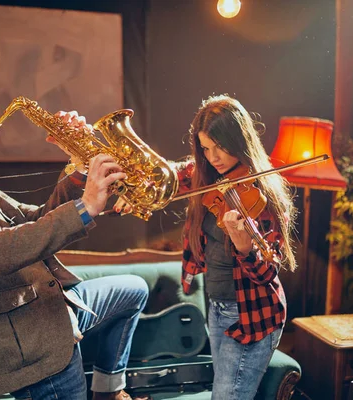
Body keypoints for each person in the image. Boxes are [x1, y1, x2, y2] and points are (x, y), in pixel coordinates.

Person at [0, 99, 150, 400]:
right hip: (30, 340)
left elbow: (38, 218)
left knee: (133, 289)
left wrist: (80, 167)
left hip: (51, 310)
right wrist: (87, 206)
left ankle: (109, 392)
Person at [116, 94, 298, 399]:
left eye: (220, 147)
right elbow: (165, 178)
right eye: (205, 148)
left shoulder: (265, 194)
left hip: (251, 313)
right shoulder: (205, 176)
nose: (213, 157)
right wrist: (134, 191)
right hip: (218, 308)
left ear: (239, 140)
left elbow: (268, 272)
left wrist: (245, 249)